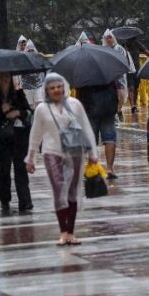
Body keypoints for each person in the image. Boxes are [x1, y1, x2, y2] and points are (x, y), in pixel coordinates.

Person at [26, 73, 98, 246]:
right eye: (52, 88)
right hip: (52, 152)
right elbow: (35, 134)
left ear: (64, 87)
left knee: (72, 190)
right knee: (58, 188)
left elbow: (87, 128)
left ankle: (71, 232)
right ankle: (63, 232)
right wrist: (30, 157)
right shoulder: (42, 109)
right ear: (46, 91)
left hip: (75, 152)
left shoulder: (75, 105)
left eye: (59, 86)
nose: (56, 90)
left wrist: (93, 154)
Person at [0, 72, 33, 214]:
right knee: (4, 169)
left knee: (20, 169)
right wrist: (1, 111)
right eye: (2, 77)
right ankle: (5, 200)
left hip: (19, 137)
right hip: (1, 139)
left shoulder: (19, 94)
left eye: (7, 76)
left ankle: (25, 201)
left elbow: (28, 112)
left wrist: (17, 112)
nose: (5, 79)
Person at [76, 81, 119, 179]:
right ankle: (110, 169)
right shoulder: (108, 73)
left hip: (90, 109)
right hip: (108, 109)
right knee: (110, 139)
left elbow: (79, 95)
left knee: (91, 140)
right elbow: (117, 90)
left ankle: (92, 167)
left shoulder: (83, 75)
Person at [102, 29, 135, 123]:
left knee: (122, 96)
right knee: (112, 97)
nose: (108, 39)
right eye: (106, 38)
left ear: (113, 38)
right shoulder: (103, 49)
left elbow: (121, 61)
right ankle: (114, 114)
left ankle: (119, 110)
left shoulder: (119, 48)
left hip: (119, 76)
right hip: (108, 78)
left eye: (110, 37)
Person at [124, 39, 149, 114]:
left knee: (136, 87)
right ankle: (132, 106)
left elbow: (147, 52)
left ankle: (134, 105)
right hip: (128, 70)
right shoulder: (123, 45)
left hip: (137, 69)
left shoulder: (137, 43)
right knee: (131, 88)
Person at [21, 40, 45, 109]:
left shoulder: (38, 60)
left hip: (38, 87)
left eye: (32, 50)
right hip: (27, 88)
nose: (30, 52)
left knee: (39, 106)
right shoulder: (23, 61)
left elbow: (41, 74)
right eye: (29, 50)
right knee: (30, 107)